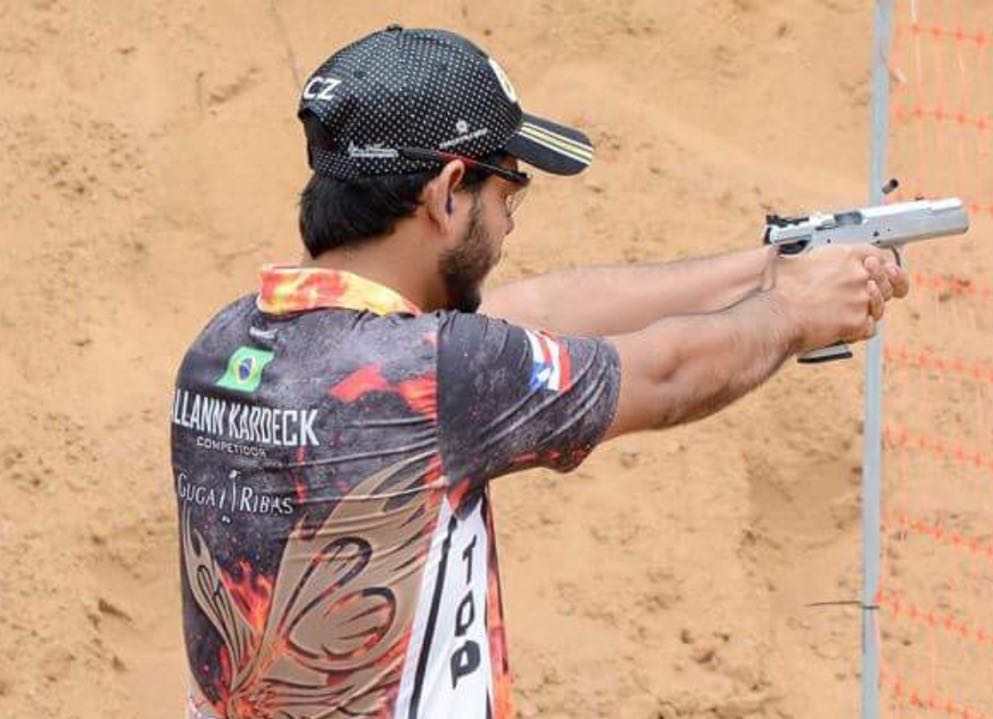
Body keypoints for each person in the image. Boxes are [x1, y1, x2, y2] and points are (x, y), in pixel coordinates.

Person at [169, 26, 908, 719]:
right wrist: (793, 314)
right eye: (508, 187)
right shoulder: (442, 374)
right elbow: (669, 372)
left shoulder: (225, 346)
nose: (513, 217)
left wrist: (774, 266)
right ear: (448, 190)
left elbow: (538, 309)